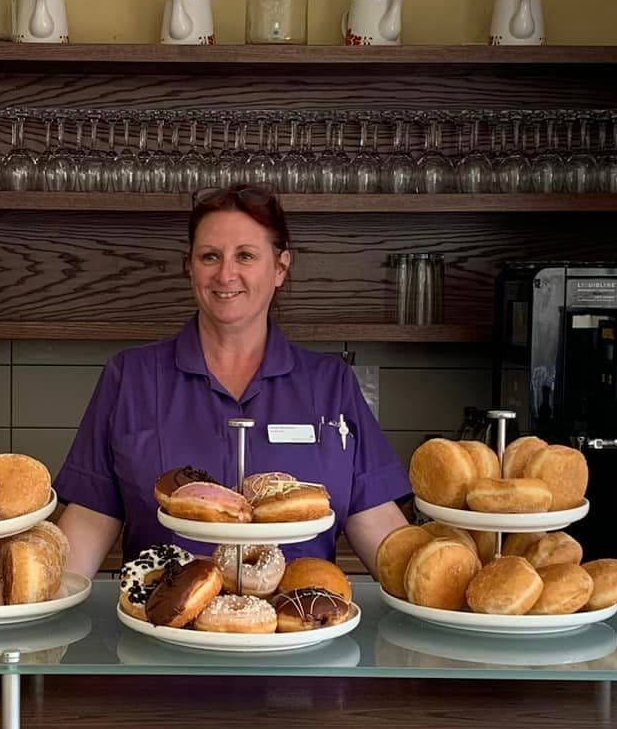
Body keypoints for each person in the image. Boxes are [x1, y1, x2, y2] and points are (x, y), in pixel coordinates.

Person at [55, 184, 411, 577]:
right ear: (190, 267)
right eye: (210, 256)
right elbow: (90, 518)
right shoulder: (131, 377)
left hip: (299, 628)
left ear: (280, 267)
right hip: (162, 627)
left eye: (245, 255)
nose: (226, 274)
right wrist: (44, 607)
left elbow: (380, 527)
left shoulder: (330, 384)